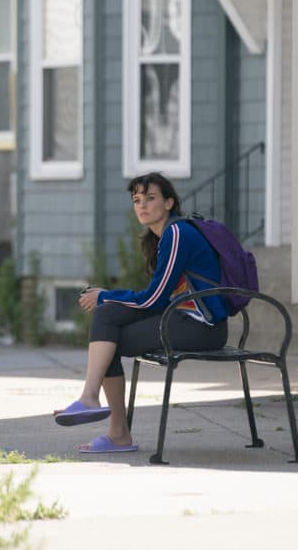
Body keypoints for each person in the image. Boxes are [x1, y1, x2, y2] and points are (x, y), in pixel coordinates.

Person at [53, 172, 230, 453]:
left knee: (107, 339)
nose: (142, 205)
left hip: (202, 326)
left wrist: (105, 295)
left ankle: (114, 428)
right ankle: (93, 403)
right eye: (137, 200)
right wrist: (107, 301)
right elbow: (156, 298)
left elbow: (155, 299)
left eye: (150, 198)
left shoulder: (177, 233)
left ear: (169, 202)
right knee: (106, 318)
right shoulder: (166, 236)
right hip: (182, 317)